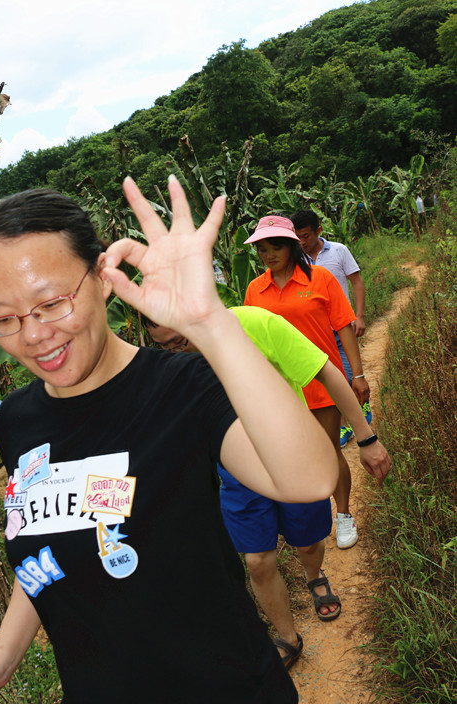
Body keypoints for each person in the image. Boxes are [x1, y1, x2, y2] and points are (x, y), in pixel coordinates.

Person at [0, 179, 339, 704]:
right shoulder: (16, 420)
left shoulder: (183, 386)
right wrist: (2, 655)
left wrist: (210, 324)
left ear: (103, 278)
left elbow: (310, 479)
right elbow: (47, 546)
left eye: (52, 303)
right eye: (4, 318)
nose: (33, 335)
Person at [145, 306, 390, 667]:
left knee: (307, 543)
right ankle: (288, 637)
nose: (176, 353)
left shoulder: (256, 324)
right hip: (236, 471)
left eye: (180, 341)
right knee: (258, 561)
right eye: (164, 347)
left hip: (293, 455)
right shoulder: (170, 365)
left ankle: (313, 574)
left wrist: (366, 439)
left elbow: (327, 372)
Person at [243, 215, 389, 551]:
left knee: (329, 450)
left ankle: (344, 514)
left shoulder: (321, 279)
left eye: (275, 247)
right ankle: (310, 513)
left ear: (292, 245)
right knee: (298, 455)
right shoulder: (255, 289)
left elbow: (344, 327)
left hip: (322, 383)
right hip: (281, 391)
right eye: (262, 249)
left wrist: (358, 374)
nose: (268, 255)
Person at [291, 209, 371, 445]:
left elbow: (356, 281)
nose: (302, 242)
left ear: (318, 230)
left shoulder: (339, 251)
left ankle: (361, 404)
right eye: (298, 238)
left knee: (349, 374)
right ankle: (344, 425)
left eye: (306, 236)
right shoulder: (297, 260)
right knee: (330, 379)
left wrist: (360, 315)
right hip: (316, 329)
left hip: (342, 325)